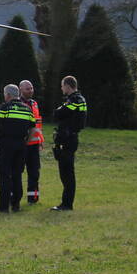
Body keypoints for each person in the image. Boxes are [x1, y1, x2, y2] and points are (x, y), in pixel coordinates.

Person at [0, 83, 37, 213]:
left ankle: (3, 206)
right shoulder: (27, 109)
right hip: (21, 145)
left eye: (5, 94)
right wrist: (27, 142)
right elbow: (33, 128)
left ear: (8, 95)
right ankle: (16, 205)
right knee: (17, 175)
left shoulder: (6, 107)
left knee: (4, 175)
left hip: (6, 145)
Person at [51, 75, 88, 211]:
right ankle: (66, 203)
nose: (61, 88)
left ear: (67, 85)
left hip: (68, 139)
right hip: (70, 138)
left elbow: (58, 114)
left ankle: (66, 204)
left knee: (66, 172)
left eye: (62, 85)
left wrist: (60, 111)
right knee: (66, 172)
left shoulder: (75, 100)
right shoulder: (79, 99)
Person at [19, 79, 44, 204]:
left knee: (34, 172)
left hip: (34, 145)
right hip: (22, 144)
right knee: (17, 171)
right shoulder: (18, 104)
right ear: (21, 90)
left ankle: (33, 198)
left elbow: (37, 124)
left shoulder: (34, 103)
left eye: (32, 88)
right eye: (27, 89)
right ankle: (15, 197)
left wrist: (40, 139)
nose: (30, 90)